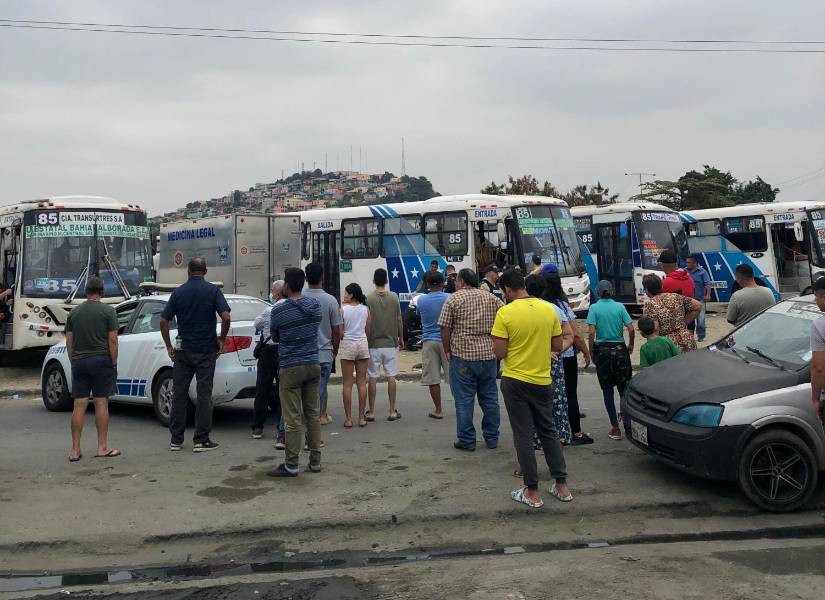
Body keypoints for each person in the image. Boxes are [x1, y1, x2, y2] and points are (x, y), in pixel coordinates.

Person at [492, 269, 572, 508]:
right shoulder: (549, 310)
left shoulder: (505, 313)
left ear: (507, 289)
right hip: (542, 380)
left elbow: (500, 352)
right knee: (548, 431)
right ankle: (561, 485)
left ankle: (532, 491)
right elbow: (557, 345)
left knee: (523, 434)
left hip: (515, 380)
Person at [160, 258, 230, 453]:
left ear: (188, 271)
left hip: (183, 351)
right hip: (206, 351)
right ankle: (201, 439)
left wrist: (168, 346)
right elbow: (226, 316)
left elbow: (163, 321)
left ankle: (176, 439)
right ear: (205, 271)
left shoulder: (178, 293)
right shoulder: (213, 291)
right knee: (204, 395)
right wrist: (222, 339)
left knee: (179, 394)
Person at [438, 268, 504, 450]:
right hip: (489, 355)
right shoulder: (492, 298)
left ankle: (467, 440)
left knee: (464, 400)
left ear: (461, 281)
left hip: (463, 355)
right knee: (490, 398)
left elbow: (444, 327)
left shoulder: (453, 299)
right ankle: (492, 438)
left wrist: (447, 349)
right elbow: (505, 319)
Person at [268, 267, 322, 477]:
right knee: (313, 415)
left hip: (290, 366)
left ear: (287, 286)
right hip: (313, 363)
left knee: (292, 418)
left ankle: (291, 464)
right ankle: (315, 461)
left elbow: (275, 336)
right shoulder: (314, 306)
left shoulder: (279, 311)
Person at [65, 276, 120, 462]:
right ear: (102, 292)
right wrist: (113, 363)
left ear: (86, 292)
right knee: (100, 403)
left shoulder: (74, 313)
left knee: (79, 405)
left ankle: (74, 450)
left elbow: (69, 341)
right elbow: (113, 340)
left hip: (79, 362)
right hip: (101, 361)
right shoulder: (108, 312)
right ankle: (102, 447)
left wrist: (74, 360)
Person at [541, 270, 593, 445]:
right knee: (570, 395)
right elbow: (575, 335)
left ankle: (551, 430)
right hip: (566, 355)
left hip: (546, 356)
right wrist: (586, 352)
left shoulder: (540, 306)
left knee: (549, 395)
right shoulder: (561, 307)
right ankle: (576, 433)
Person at [525, 274, 574, 445]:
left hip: (530, 362)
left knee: (534, 401)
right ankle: (559, 436)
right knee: (556, 398)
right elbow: (569, 335)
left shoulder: (520, 310)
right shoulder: (554, 309)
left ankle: (536, 438)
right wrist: (556, 350)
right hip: (553, 363)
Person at [586, 280, 635, 441]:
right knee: (624, 390)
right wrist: (631, 344)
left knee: (607, 390)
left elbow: (591, 331)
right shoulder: (620, 307)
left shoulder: (594, 308)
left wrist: (591, 350)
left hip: (603, 351)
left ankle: (615, 427)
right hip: (620, 350)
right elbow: (631, 327)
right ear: (612, 291)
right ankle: (629, 423)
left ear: (598, 292)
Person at [303, 262, 343, 426]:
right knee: (319, 391)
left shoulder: (299, 298)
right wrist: (335, 350)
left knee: (300, 391)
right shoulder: (331, 300)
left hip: (303, 354)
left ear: (306, 278)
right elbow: (337, 331)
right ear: (322, 277)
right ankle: (317, 422)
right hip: (324, 354)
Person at [366, 268, 404, 421]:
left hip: (373, 343)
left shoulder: (368, 298)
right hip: (390, 343)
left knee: (373, 377)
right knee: (391, 376)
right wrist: (401, 338)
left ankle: (372, 411)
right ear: (387, 281)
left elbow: (366, 321)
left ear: (374, 281)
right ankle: (392, 410)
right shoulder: (394, 297)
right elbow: (399, 319)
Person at [251, 280, 284, 440]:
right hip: (284, 351)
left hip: (268, 352)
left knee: (262, 389)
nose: (271, 293)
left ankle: (258, 427)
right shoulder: (290, 308)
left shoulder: (269, 310)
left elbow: (256, 324)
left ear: (277, 293)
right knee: (283, 390)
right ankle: (281, 427)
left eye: (272, 290)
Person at [416, 271, 450, 420]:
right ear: (443, 284)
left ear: (428, 285)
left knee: (433, 378)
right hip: (447, 341)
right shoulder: (450, 298)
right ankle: (461, 406)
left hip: (429, 341)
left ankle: (438, 409)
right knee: (454, 377)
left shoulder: (421, 300)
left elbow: (419, 315)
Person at [642, 273, 701, 354]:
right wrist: (683, 323)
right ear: (661, 286)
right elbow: (698, 306)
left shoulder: (650, 305)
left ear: (647, 290)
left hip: (669, 344)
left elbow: (655, 329)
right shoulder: (675, 296)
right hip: (687, 339)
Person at [339, 282, 370, 428]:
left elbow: (340, 331)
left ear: (351, 295)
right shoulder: (365, 309)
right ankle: (361, 417)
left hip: (348, 344)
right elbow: (368, 329)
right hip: (362, 344)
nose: (344, 296)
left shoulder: (343, 310)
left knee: (347, 384)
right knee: (362, 382)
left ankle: (348, 419)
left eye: (345, 293)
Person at [809, 276, 825, 425]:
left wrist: (815, 399)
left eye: (816, 297)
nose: (815, 301)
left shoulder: (819, 325)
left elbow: (819, 368)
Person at [686, 255, 712, 341]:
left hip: (700, 300)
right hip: (688, 300)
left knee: (700, 320)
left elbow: (707, 284)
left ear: (694, 263)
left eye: (688, 262)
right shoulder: (684, 271)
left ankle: (701, 336)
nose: (687, 264)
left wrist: (708, 295)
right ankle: (690, 336)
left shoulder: (703, 272)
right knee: (689, 319)